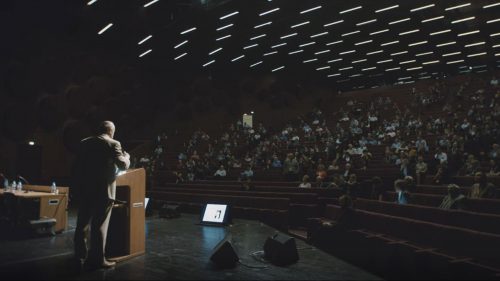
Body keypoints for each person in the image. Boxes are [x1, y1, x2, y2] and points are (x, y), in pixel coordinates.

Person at [72, 121, 130, 269]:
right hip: (103, 191)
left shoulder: (84, 143)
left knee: (82, 224)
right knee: (99, 225)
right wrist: (127, 158)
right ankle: (98, 259)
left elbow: (76, 166)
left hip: (85, 189)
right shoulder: (113, 143)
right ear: (111, 131)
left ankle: (79, 256)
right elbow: (122, 165)